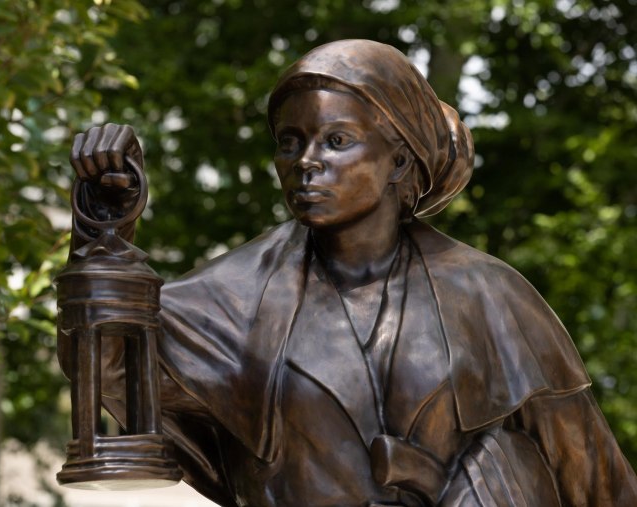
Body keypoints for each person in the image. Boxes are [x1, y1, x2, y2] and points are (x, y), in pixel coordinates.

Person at [59, 39, 637, 506]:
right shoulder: (235, 295)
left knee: (509, 456)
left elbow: (588, 468)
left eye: (336, 141)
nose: (306, 163)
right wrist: (102, 234)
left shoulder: (487, 293)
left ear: (399, 161)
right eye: (290, 143)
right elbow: (112, 362)